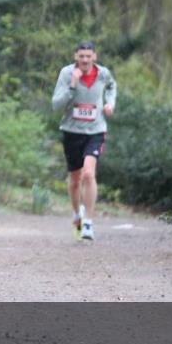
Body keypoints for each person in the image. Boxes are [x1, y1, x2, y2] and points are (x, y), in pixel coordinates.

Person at [51, 41, 117, 241]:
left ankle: (88, 222)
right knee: (74, 180)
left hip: (96, 130)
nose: (85, 60)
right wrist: (72, 85)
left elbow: (112, 86)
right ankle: (76, 215)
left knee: (89, 173)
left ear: (94, 57)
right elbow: (56, 105)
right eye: (82, 56)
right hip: (71, 131)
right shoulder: (66, 73)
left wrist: (110, 103)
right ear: (75, 57)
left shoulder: (103, 73)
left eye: (89, 56)